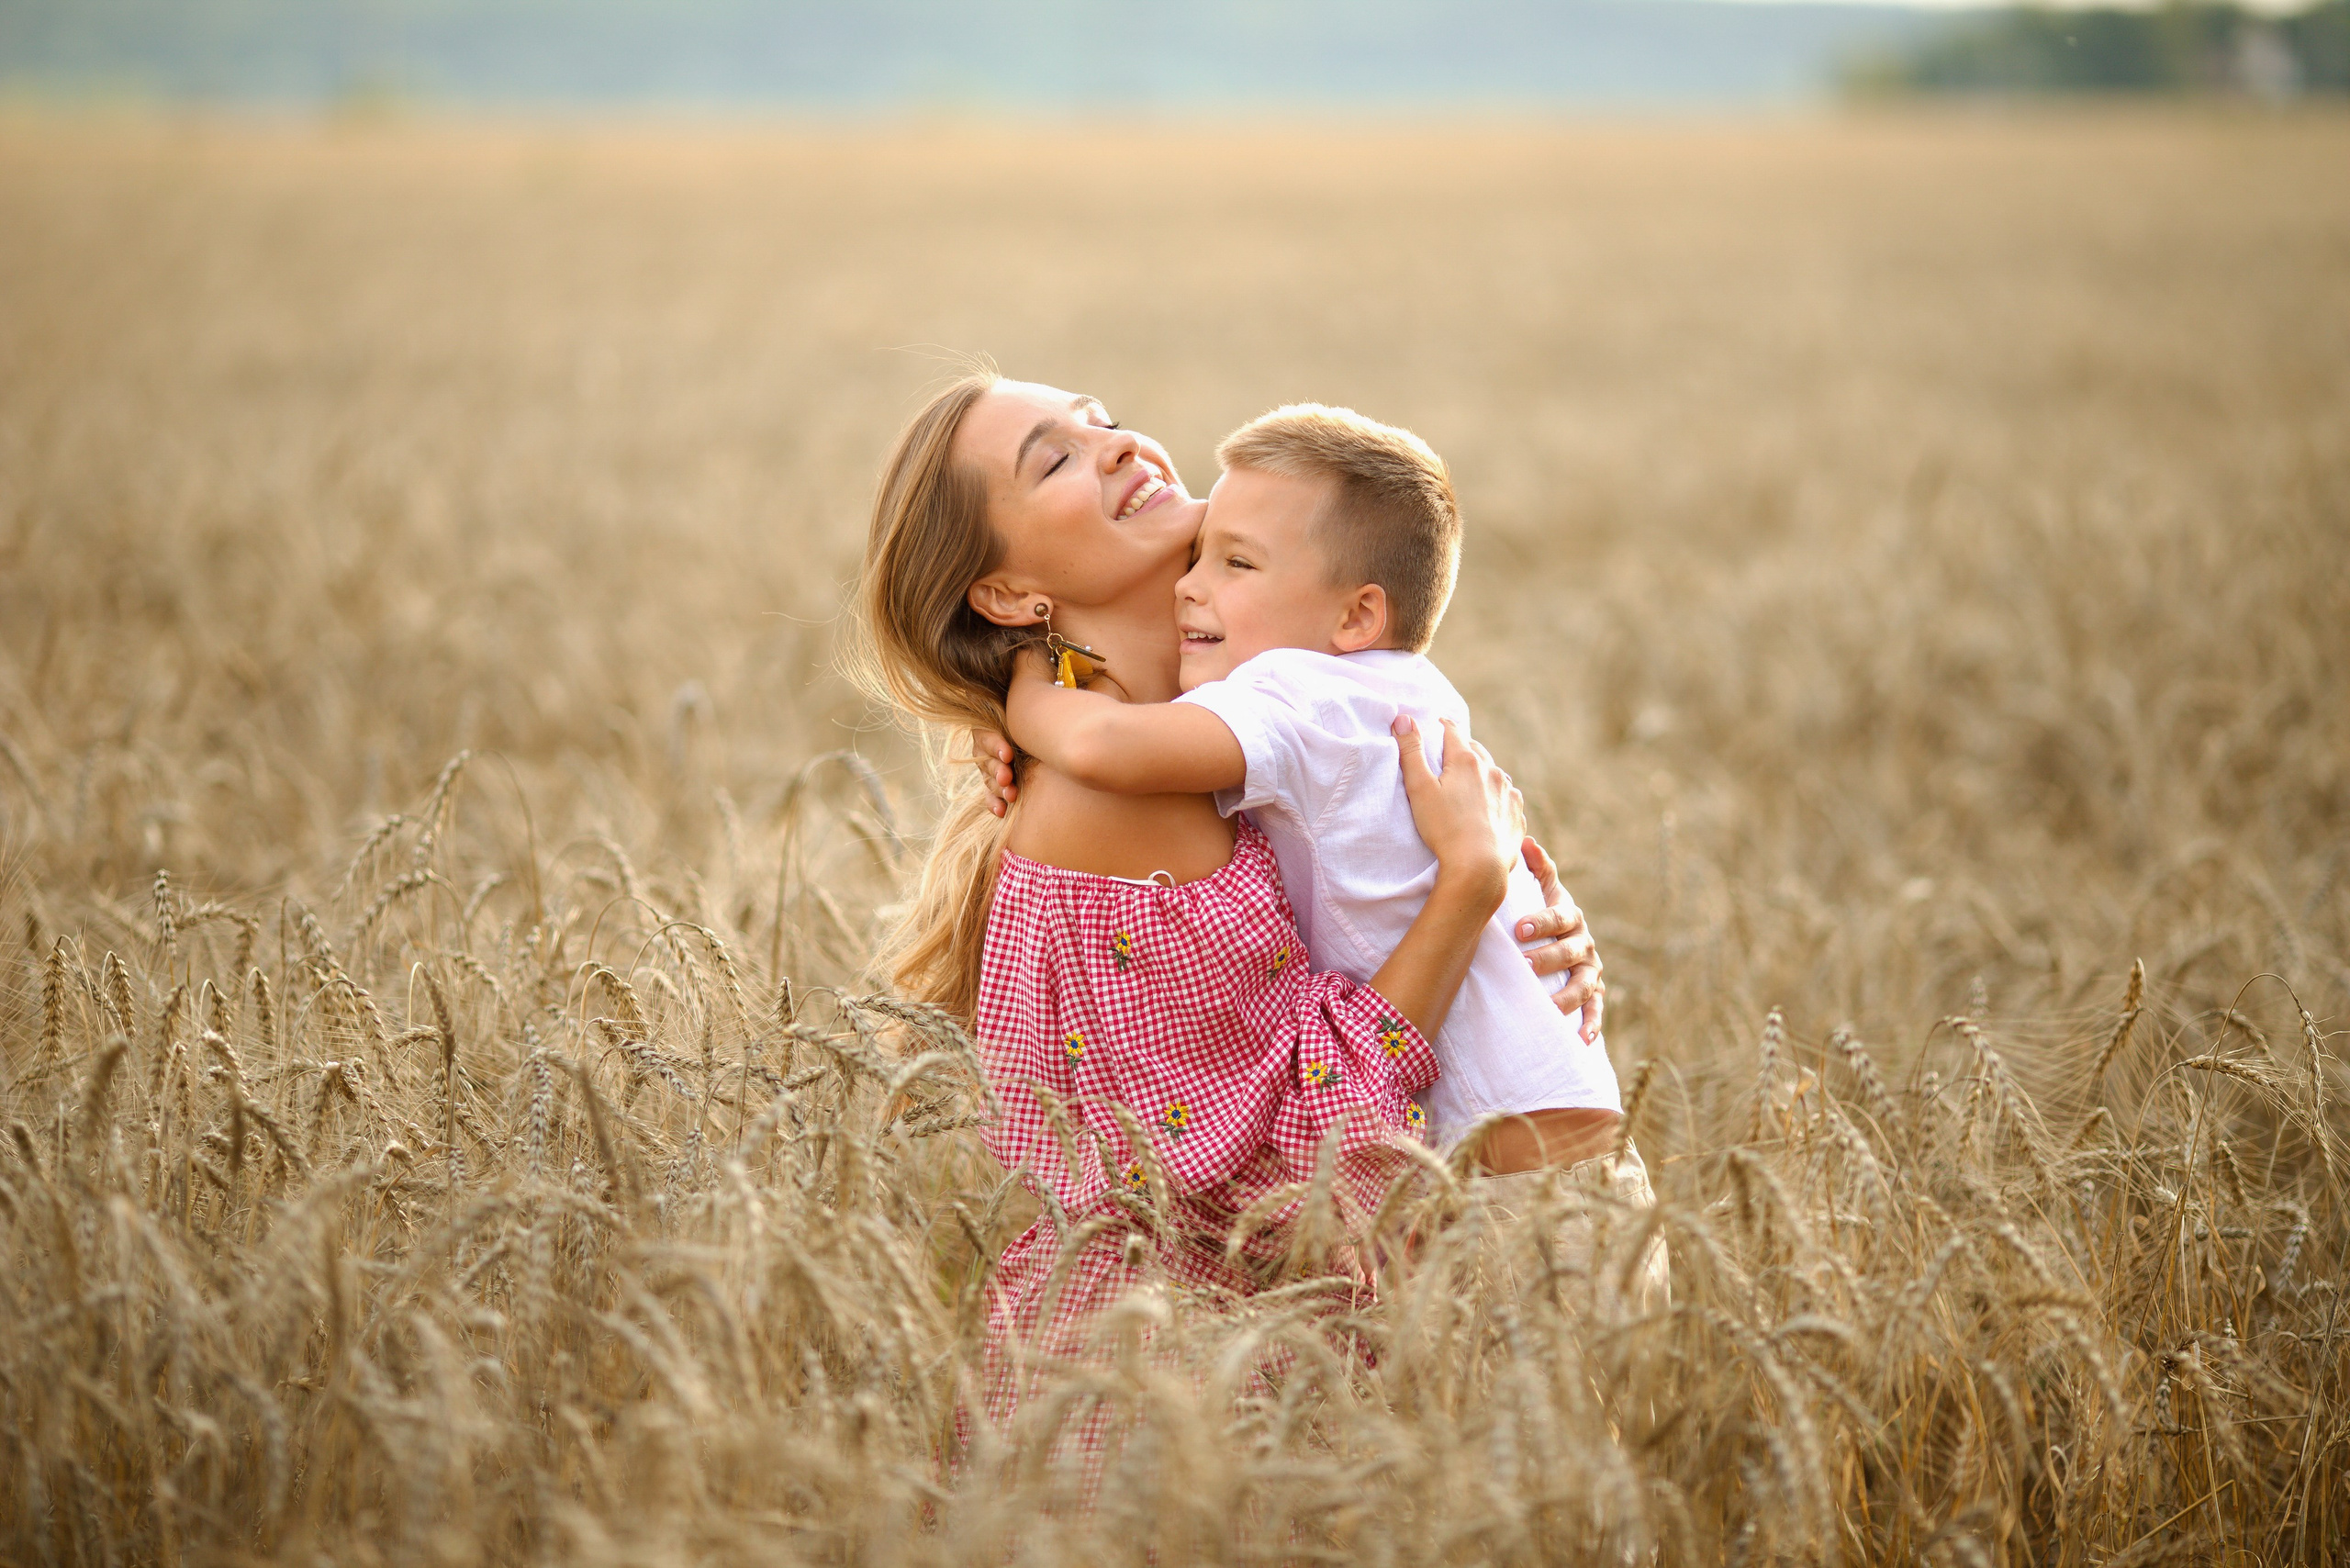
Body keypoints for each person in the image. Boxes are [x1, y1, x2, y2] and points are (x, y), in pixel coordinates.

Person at [855, 372, 1542, 1462]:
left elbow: (1358, 893)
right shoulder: (1116, 798)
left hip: (1224, 1362)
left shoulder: (1213, 726)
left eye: (1107, 421)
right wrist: (1467, 891)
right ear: (1010, 594)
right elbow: (1309, 1163)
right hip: (1172, 1402)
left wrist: (1529, 938)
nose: (1119, 446)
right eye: (1055, 457)